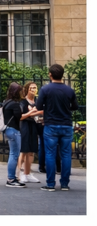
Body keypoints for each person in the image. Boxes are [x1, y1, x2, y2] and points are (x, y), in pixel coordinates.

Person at [37, 63, 78, 191]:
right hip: (66, 125)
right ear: (62, 75)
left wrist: (48, 108)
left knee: (50, 154)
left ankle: (50, 184)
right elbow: (75, 107)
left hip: (51, 125)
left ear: (50, 75)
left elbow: (38, 107)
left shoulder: (45, 89)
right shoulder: (69, 90)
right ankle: (65, 184)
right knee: (66, 154)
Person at [0, 83, 28, 188]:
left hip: (7, 129)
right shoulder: (15, 104)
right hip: (14, 130)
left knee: (13, 154)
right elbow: (18, 116)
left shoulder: (6, 102)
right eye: (21, 91)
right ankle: (11, 179)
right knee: (14, 154)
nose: (22, 93)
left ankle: (12, 178)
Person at [17, 82, 42, 184]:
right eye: (31, 88)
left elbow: (42, 111)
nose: (33, 89)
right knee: (23, 150)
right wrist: (33, 112)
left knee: (31, 151)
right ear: (27, 89)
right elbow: (21, 115)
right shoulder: (23, 102)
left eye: (35, 88)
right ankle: (19, 174)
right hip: (24, 126)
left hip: (34, 125)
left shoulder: (37, 101)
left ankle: (28, 173)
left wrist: (35, 112)